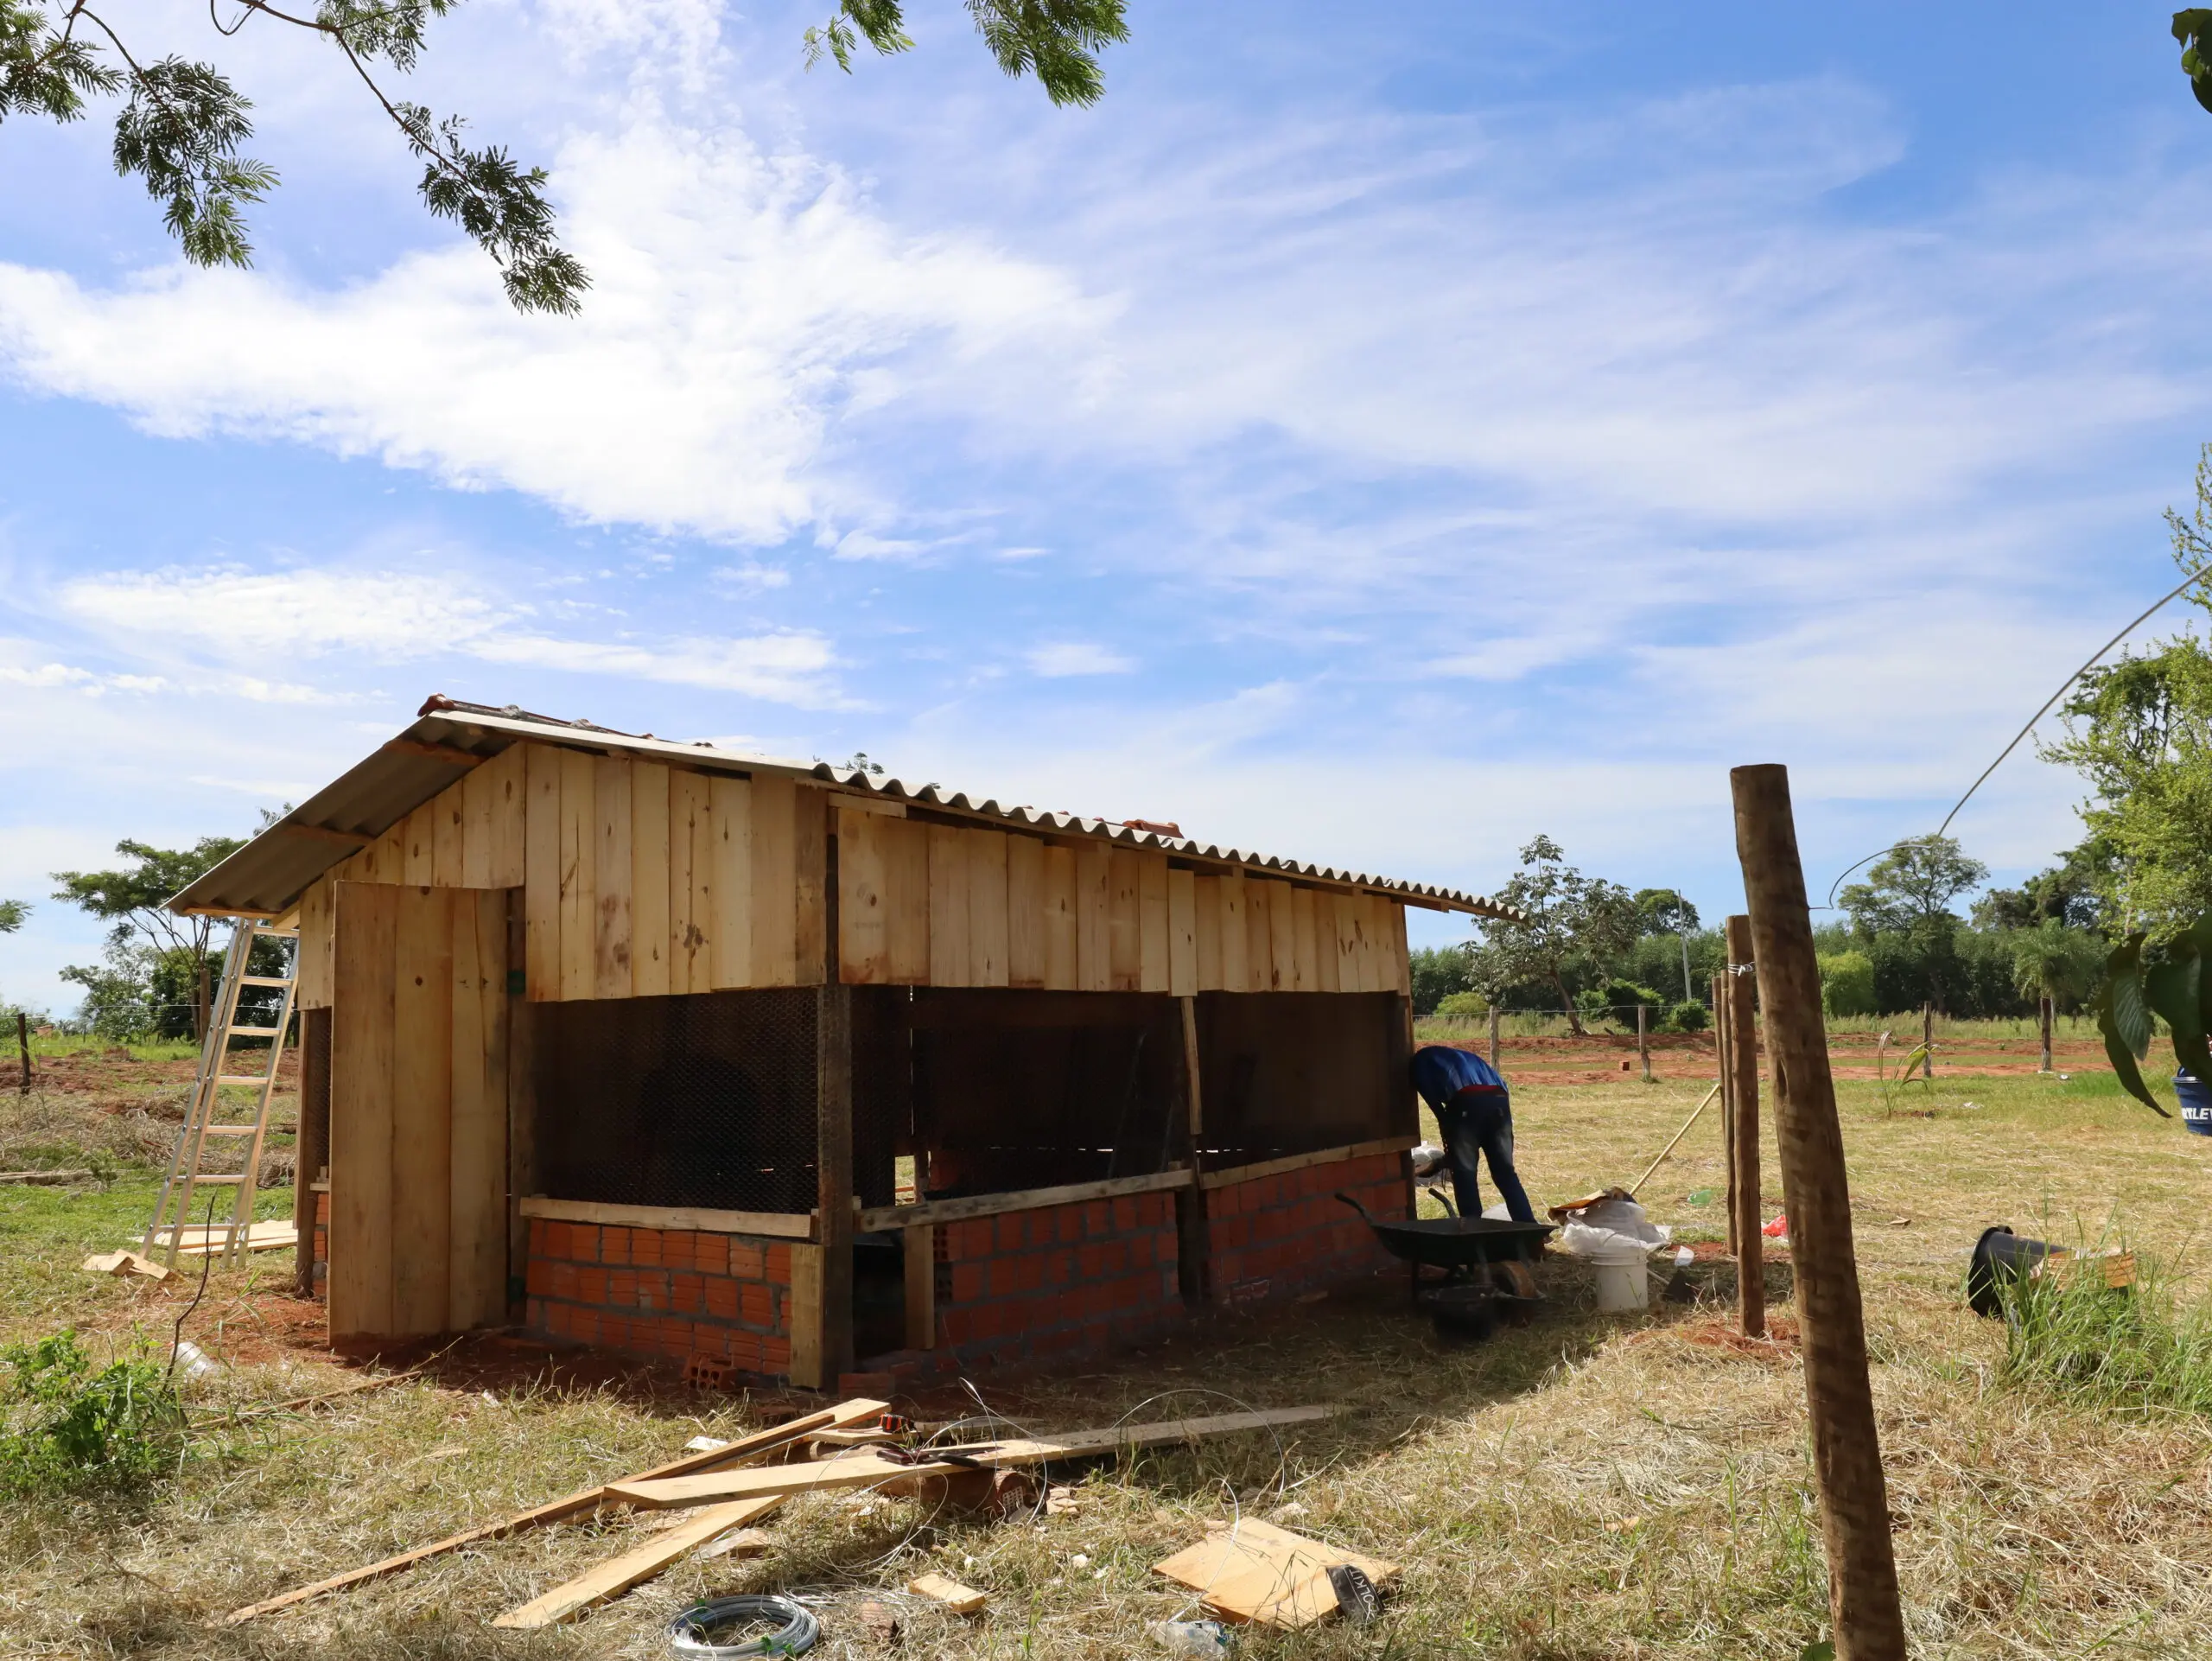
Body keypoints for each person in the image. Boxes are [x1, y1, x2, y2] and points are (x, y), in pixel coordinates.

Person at [1411, 1044, 1536, 1224]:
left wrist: (1445, 1120)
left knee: (1464, 1173)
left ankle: (1472, 1228)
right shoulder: (1461, 1056)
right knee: (1505, 1173)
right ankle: (1529, 1227)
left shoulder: (1419, 1061)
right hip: (1500, 1102)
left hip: (1466, 1102)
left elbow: (1428, 1091)